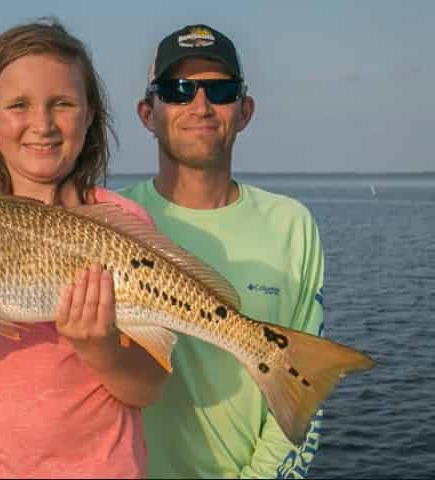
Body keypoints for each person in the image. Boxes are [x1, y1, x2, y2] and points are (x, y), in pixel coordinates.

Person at [0, 19, 168, 479]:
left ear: (90, 114)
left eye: (63, 104)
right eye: (18, 105)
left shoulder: (124, 224)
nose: (43, 124)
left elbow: (148, 387)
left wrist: (102, 348)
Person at [119, 24, 325, 478]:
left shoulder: (292, 225)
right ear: (146, 112)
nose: (200, 105)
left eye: (221, 90)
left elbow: (305, 390)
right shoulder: (111, 218)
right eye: (177, 90)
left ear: (245, 110)